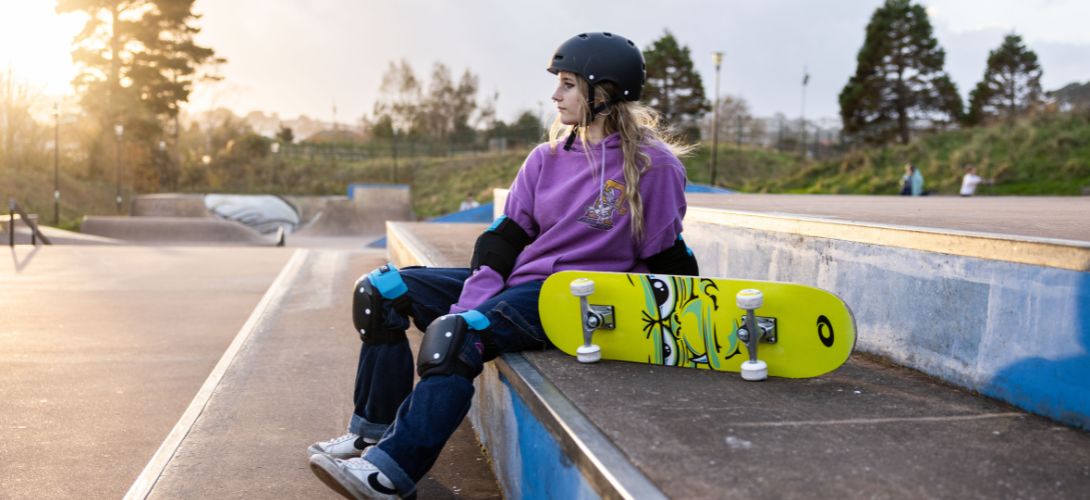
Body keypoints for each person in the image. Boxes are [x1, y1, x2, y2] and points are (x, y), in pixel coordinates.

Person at [306, 32, 699, 499]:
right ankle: (374, 431)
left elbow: (665, 256)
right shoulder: (546, 158)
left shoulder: (652, 167)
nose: (556, 95)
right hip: (520, 284)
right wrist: (475, 296)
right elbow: (503, 241)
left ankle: (391, 471)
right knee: (381, 291)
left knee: (457, 338)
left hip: (573, 297)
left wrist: (691, 314)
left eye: (569, 84)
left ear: (605, 91)